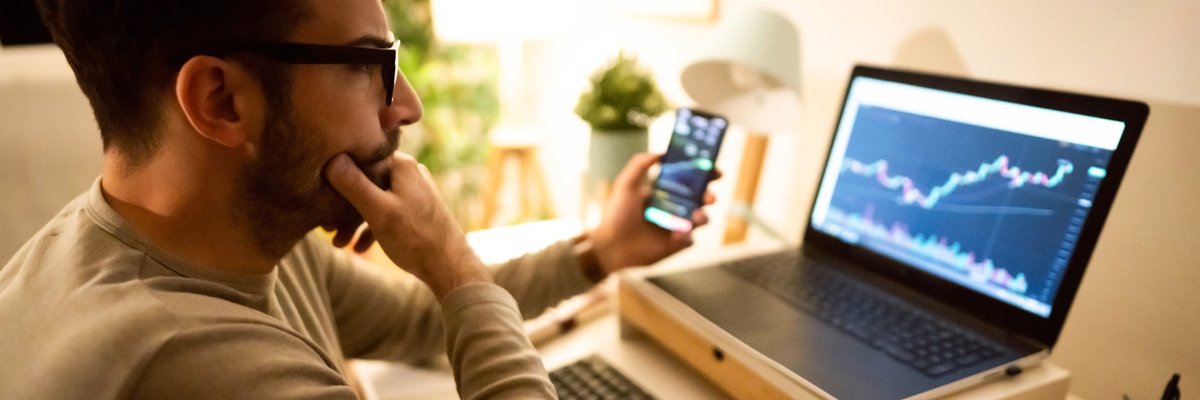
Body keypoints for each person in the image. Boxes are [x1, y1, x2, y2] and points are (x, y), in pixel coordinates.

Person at [0, 0, 717, 399]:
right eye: (372, 66)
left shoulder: (227, 241)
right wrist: (459, 269)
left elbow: (417, 323)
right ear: (220, 101)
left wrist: (601, 252)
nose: (408, 106)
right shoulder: (187, 359)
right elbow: (451, 299)